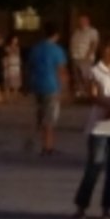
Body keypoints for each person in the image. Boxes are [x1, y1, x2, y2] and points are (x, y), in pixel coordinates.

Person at [73, 35, 110, 219]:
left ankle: (108, 207)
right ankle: (82, 205)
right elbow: (93, 95)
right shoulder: (95, 70)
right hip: (99, 124)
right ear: (107, 50)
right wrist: (109, 107)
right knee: (95, 164)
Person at [26, 22, 68, 155]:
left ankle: (34, 139)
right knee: (50, 119)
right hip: (51, 85)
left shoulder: (35, 49)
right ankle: (47, 146)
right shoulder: (57, 50)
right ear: (57, 35)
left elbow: (29, 67)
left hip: (37, 84)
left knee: (40, 114)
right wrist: (64, 88)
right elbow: (60, 70)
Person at [69, 14, 100, 100]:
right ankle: (80, 94)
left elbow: (94, 44)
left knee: (86, 77)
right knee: (77, 77)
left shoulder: (92, 31)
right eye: (79, 21)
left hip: (85, 58)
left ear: (87, 21)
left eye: (82, 21)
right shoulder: (76, 32)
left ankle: (88, 95)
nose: (80, 22)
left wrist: (88, 56)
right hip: (75, 57)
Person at [3, 33, 22, 99]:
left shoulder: (18, 47)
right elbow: (5, 56)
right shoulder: (7, 47)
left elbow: (18, 55)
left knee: (16, 82)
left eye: (16, 39)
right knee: (8, 81)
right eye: (14, 39)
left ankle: (15, 96)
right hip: (9, 65)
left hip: (16, 66)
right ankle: (7, 96)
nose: (16, 40)